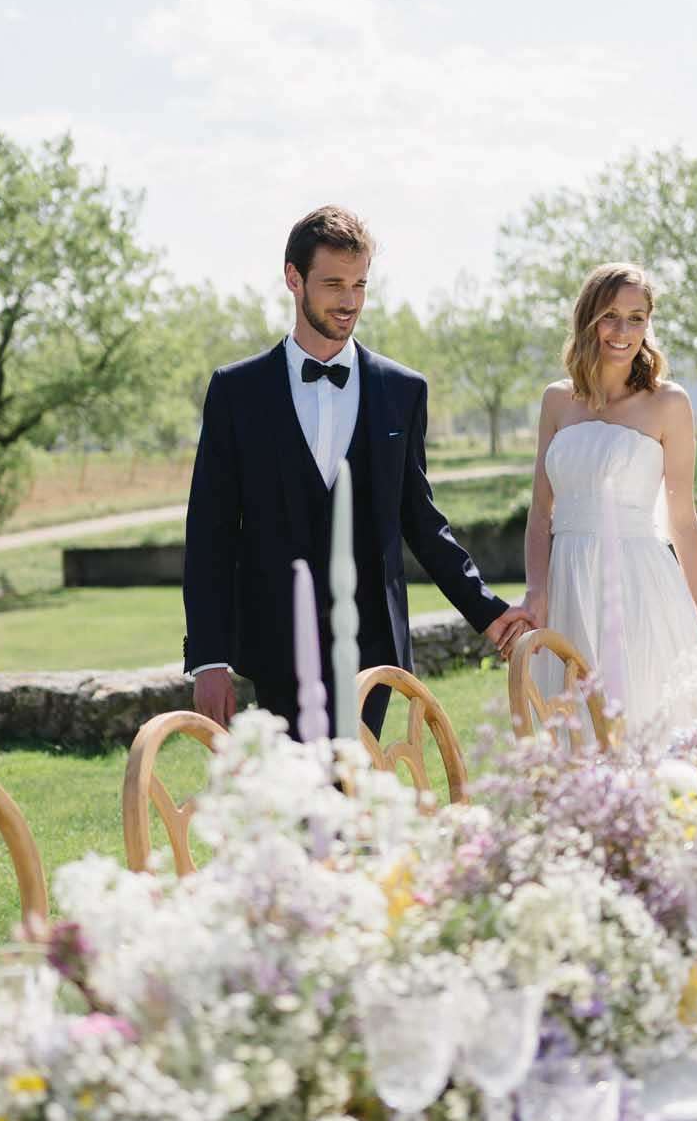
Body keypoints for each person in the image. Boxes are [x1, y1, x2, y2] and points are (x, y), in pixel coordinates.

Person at [184, 205, 533, 736]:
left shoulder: (401, 391)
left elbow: (420, 519)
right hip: (274, 636)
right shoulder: (237, 391)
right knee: (301, 802)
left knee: (351, 791)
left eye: (360, 284)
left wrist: (487, 611)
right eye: (333, 284)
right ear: (293, 278)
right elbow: (209, 531)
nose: (349, 301)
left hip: (371, 644)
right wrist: (209, 658)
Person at [520, 262, 697, 734]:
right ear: (587, 319)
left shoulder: (669, 403)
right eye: (610, 315)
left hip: (638, 583)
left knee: (640, 717)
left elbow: (683, 521)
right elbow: (540, 510)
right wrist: (537, 590)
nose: (622, 331)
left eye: (636, 317)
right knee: (572, 729)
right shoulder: (556, 401)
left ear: (649, 323)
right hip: (567, 584)